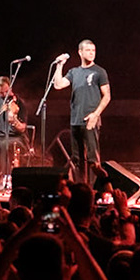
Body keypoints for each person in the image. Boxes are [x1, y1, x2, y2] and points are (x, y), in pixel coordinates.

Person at [49, 41, 111, 184]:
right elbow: (58, 85)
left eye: (93, 50)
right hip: (75, 120)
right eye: (88, 50)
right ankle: (82, 189)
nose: (91, 53)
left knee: (93, 162)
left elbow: (107, 96)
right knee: (78, 160)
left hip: (91, 119)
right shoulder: (74, 72)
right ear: (80, 52)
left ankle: (108, 187)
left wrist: (95, 115)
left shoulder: (99, 72)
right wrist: (60, 65)